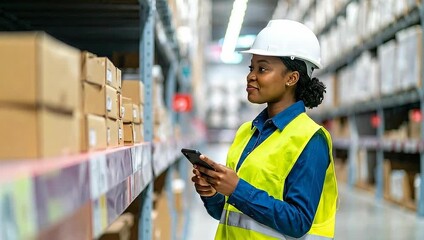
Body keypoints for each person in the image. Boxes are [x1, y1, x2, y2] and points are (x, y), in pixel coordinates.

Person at [191, 19, 338, 240]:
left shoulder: (310, 140)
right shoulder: (246, 132)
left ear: (292, 78)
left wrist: (236, 188)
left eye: (262, 69)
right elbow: (229, 214)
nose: (251, 75)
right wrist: (212, 193)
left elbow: (298, 222)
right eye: (252, 68)